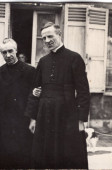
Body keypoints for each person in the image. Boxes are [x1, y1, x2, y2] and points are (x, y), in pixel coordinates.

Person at [25, 22, 90, 168]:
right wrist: (33, 118)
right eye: (44, 38)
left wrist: (81, 120)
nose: (47, 40)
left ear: (59, 35)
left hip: (67, 115)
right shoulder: (43, 61)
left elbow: (83, 91)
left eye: (50, 36)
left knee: (68, 156)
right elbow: (35, 91)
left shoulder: (74, 58)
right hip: (45, 115)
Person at [0, 38, 35, 168]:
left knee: (24, 157)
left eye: (10, 51)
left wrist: (33, 119)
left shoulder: (30, 71)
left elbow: (33, 97)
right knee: (5, 157)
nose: (8, 55)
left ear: (16, 51)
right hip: (6, 121)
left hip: (24, 120)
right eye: (4, 52)